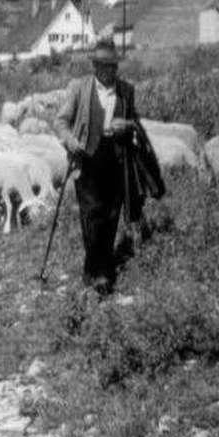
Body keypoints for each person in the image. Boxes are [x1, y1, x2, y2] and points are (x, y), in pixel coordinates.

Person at [53, 37, 140, 295]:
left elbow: (134, 122)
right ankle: (99, 272)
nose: (107, 70)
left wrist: (126, 125)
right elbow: (60, 121)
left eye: (111, 65)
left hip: (116, 160)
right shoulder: (79, 88)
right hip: (87, 159)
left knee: (111, 215)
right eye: (102, 65)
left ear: (116, 66)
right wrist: (70, 141)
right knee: (92, 216)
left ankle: (97, 267)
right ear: (94, 66)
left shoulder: (127, 91)